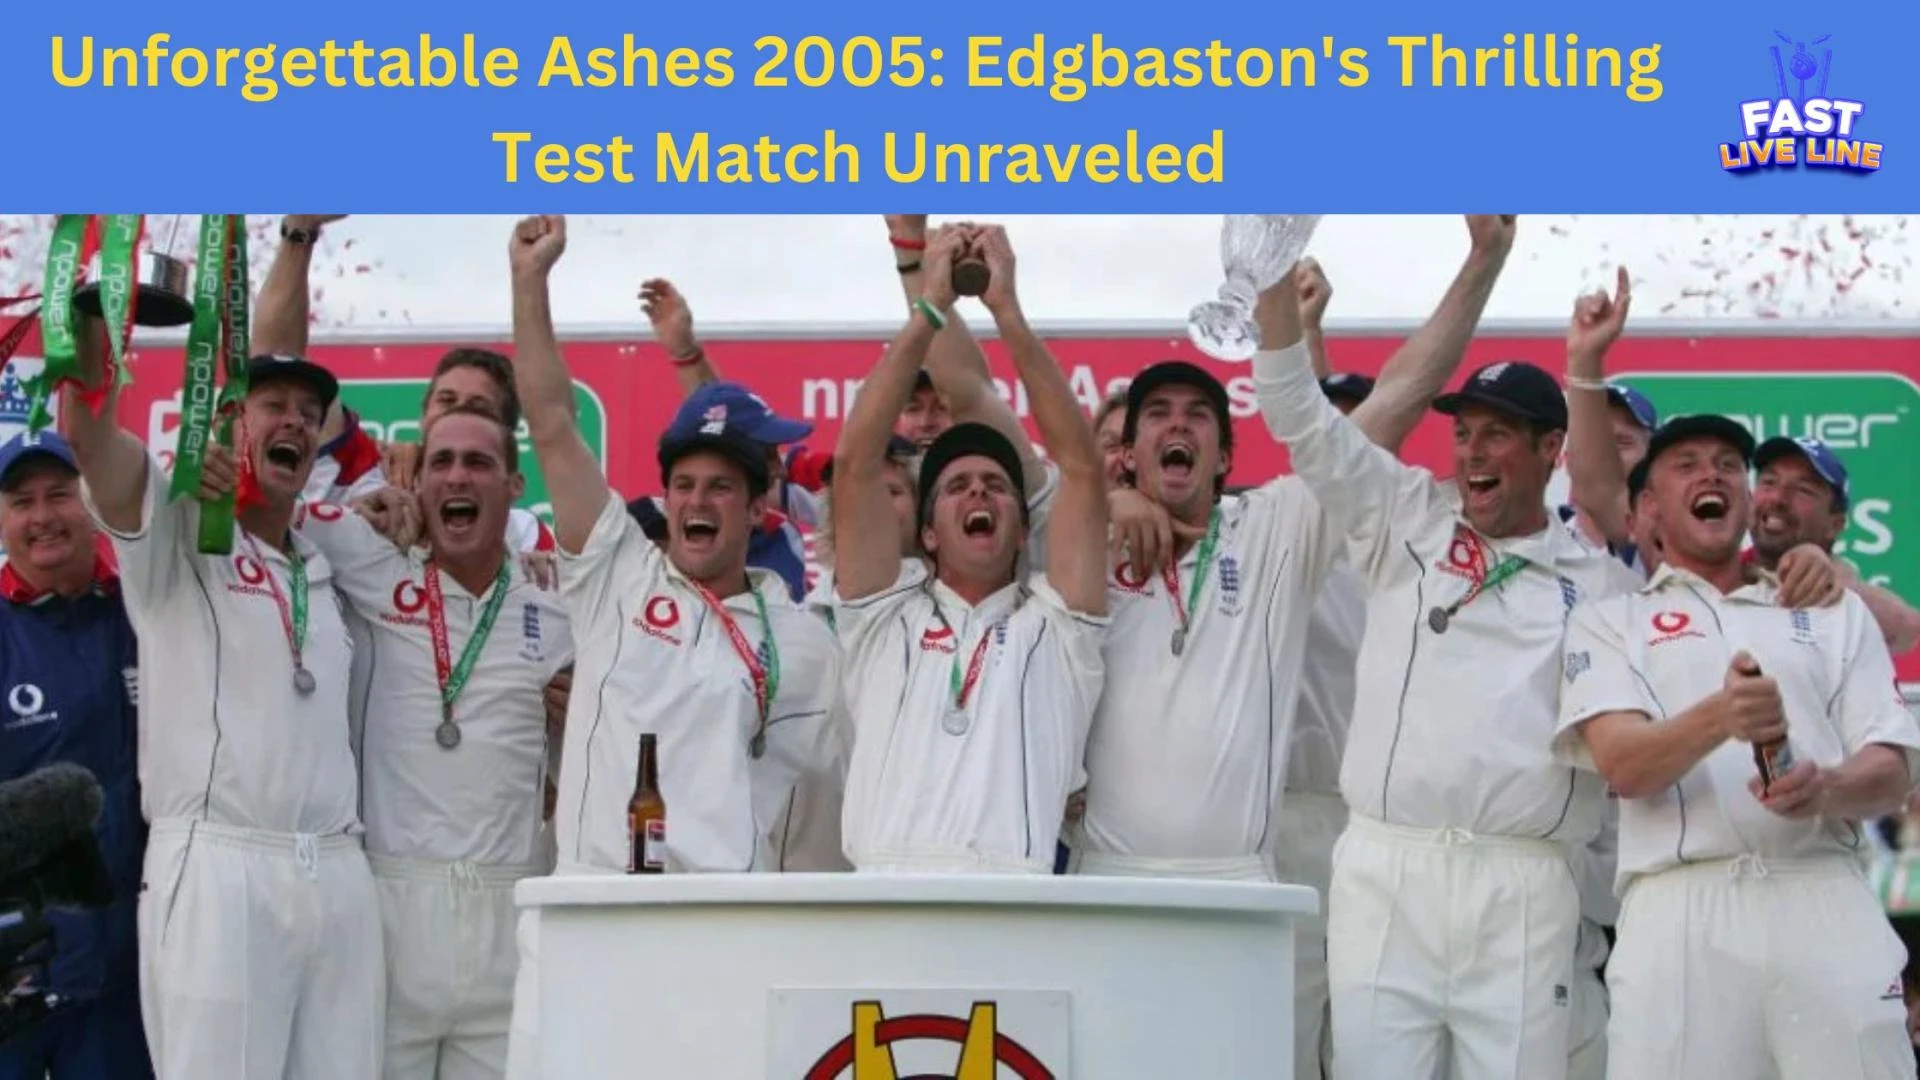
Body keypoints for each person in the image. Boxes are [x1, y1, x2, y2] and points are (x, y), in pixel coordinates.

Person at [1253, 259, 1643, 1079]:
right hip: (1387, 869)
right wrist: (1268, 276)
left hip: (1524, 883)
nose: (1472, 451)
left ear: (1549, 449)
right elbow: (1295, 412)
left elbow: (1630, 516)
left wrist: (1585, 367)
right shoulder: (1404, 515)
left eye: (1496, 434)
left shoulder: (1601, 584)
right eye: (1463, 433)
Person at [501, 215, 845, 1075]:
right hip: (594, 914)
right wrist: (530, 282)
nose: (697, 501)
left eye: (721, 487)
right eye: (684, 484)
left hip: (723, 925)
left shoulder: (802, 639)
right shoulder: (616, 572)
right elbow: (551, 422)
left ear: (758, 508)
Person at [62, 315, 383, 1079]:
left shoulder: (323, 563)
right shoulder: (177, 529)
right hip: (220, 863)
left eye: (308, 414)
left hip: (337, 867)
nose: (294, 423)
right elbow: (91, 442)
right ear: (230, 423)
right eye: (273, 406)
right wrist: (94, 319)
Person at [1556, 412, 1920, 1079]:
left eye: (1729, 466)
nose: (1713, 474)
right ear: (1647, 508)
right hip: (1679, 908)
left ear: (1747, 504)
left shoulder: (1832, 610)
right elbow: (1623, 764)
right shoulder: (1609, 621)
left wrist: (1825, 788)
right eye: (1687, 464)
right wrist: (1724, 715)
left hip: (1823, 891)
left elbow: (1893, 769)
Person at [281, 403, 572, 1080]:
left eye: (478, 463)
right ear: (418, 484)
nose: (457, 477)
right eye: (440, 462)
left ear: (515, 486)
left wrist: (576, 722)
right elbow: (268, 508)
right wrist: (362, 511)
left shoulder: (553, 607)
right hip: (388, 914)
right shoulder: (373, 565)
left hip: (507, 918)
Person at [831, 224, 1108, 874]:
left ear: (1023, 528)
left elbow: (1083, 467)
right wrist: (929, 306)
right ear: (927, 532)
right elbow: (855, 464)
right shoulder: (880, 616)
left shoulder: (1060, 626)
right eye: (955, 486)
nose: (978, 491)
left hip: (1011, 902)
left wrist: (1006, 310)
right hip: (882, 897)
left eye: (996, 485)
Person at [0, 430, 150, 1080]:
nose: (42, 516)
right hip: (16, 978)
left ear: (91, 500)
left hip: (129, 975)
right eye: (21, 502)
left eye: (59, 494)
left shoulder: (146, 614)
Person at [1751, 436, 1920, 656]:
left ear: (1835, 525)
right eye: (1769, 482)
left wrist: (1835, 588)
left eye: (1803, 489)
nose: (1777, 498)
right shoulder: (1723, 572)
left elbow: (1909, 630)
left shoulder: (1850, 601)